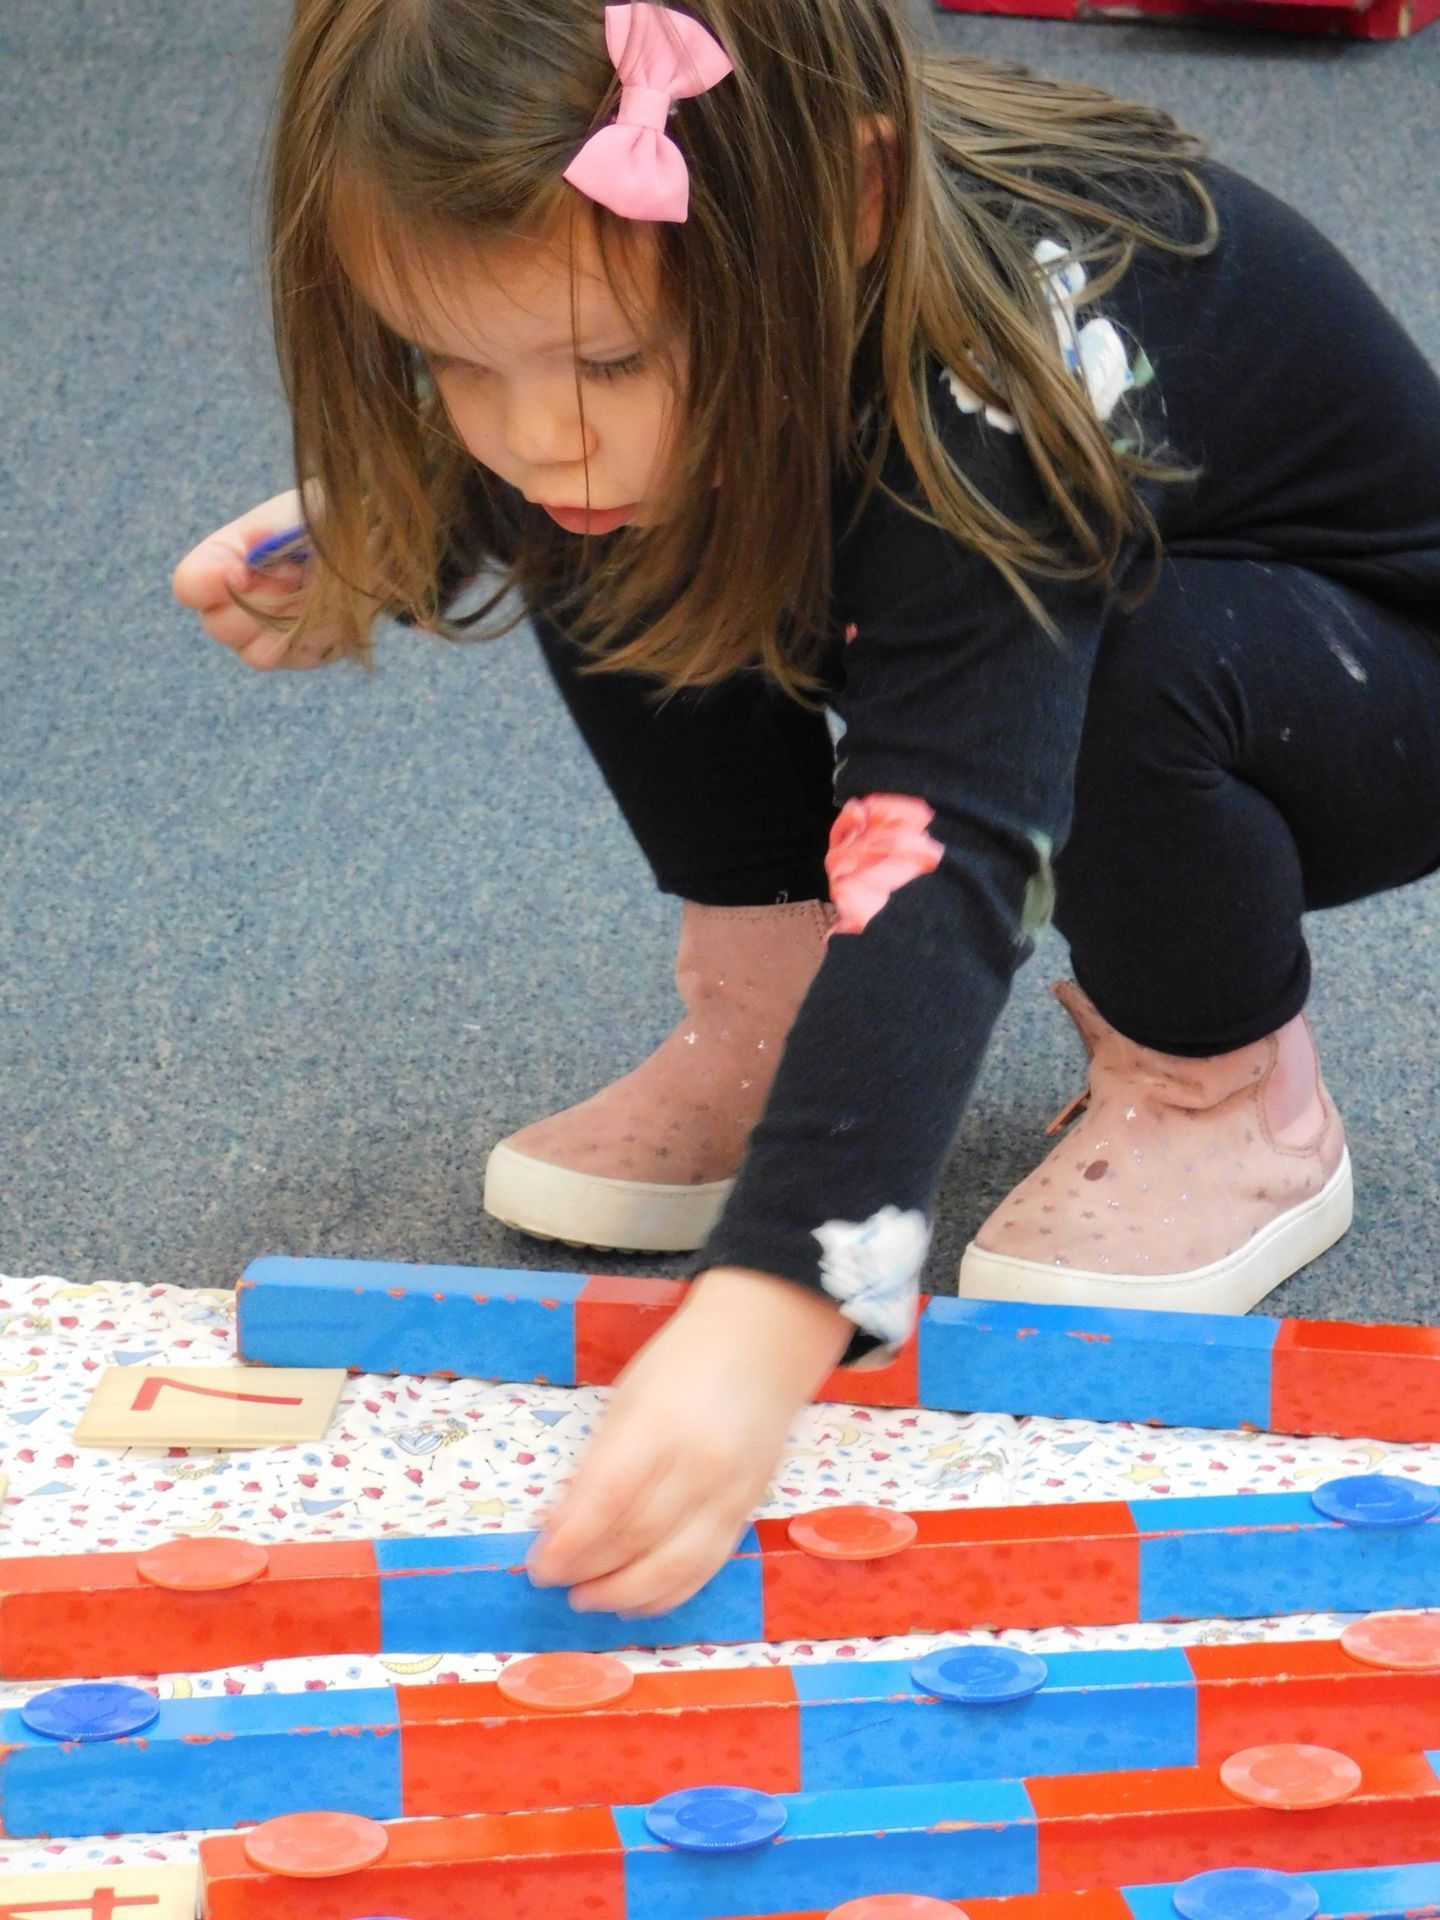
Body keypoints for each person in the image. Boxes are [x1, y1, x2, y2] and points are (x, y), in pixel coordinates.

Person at [173, 0, 1440, 1620]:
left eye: (603, 355)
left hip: (1354, 675)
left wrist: (773, 1311)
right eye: (451, 362)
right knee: (617, 492)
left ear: (845, 207)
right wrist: (399, 517)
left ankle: (1227, 1089)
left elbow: (952, 838)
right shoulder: (708, 276)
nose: (529, 424)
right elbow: (555, 387)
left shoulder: (992, 379)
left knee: (1097, 656)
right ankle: (764, 1003)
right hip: (1051, 564)